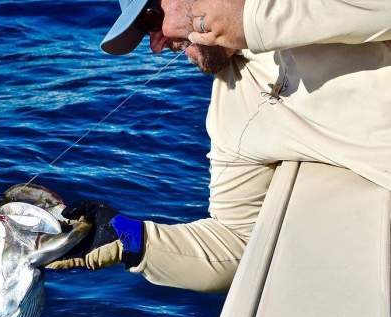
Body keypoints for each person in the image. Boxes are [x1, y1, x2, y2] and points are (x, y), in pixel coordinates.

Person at [47, 0, 391, 293]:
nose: (156, 44)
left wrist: (251, 19)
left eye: (151, 18)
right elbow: (237, 242)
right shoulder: (232, 104)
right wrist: (129, 239)